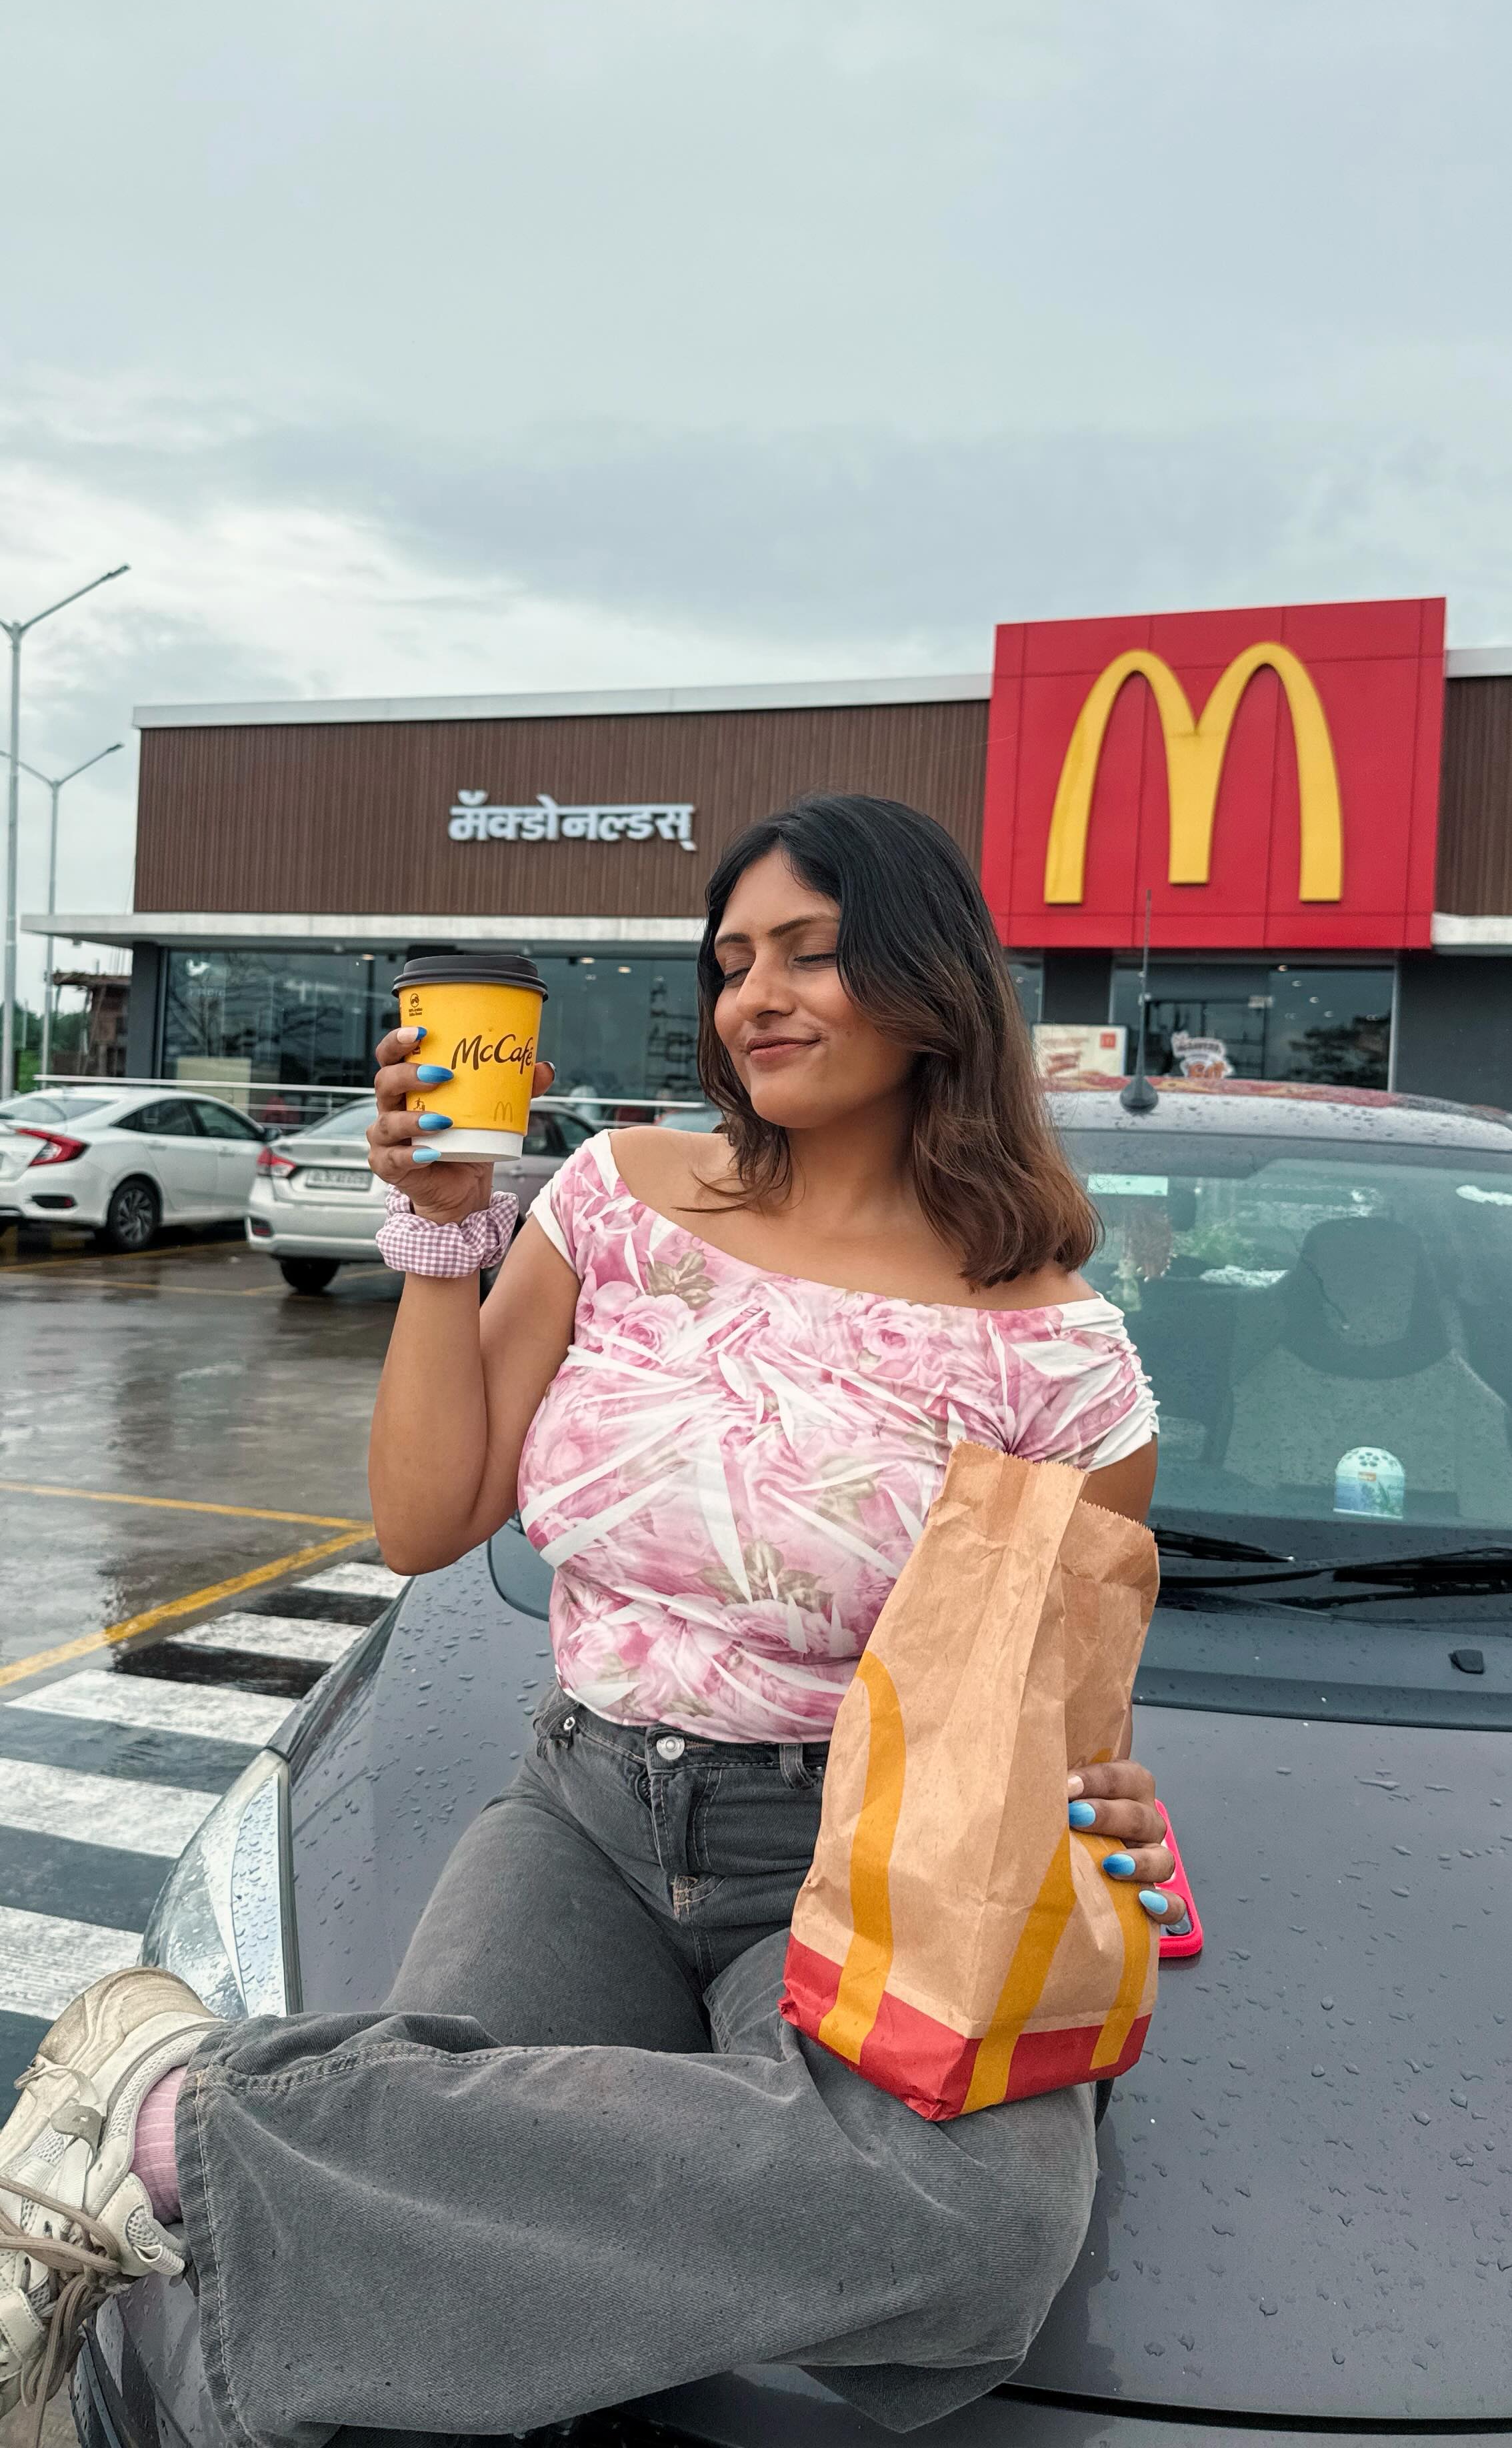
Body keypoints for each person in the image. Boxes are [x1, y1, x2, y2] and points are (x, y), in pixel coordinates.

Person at [0, 793, 1185, 2447]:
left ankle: (193, 2124)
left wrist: (1115, 1806)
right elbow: (428, 1520)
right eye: (730, 963)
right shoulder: (621, 1200)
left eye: (812, 953)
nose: (753, 996)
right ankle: (207, 2159)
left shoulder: (1062, 1363)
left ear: (933, 982)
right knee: (425, 2301)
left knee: (981, 2230)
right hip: (588, 1807)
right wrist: (439, 1235)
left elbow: (1050, 1710)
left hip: (851, 1847)